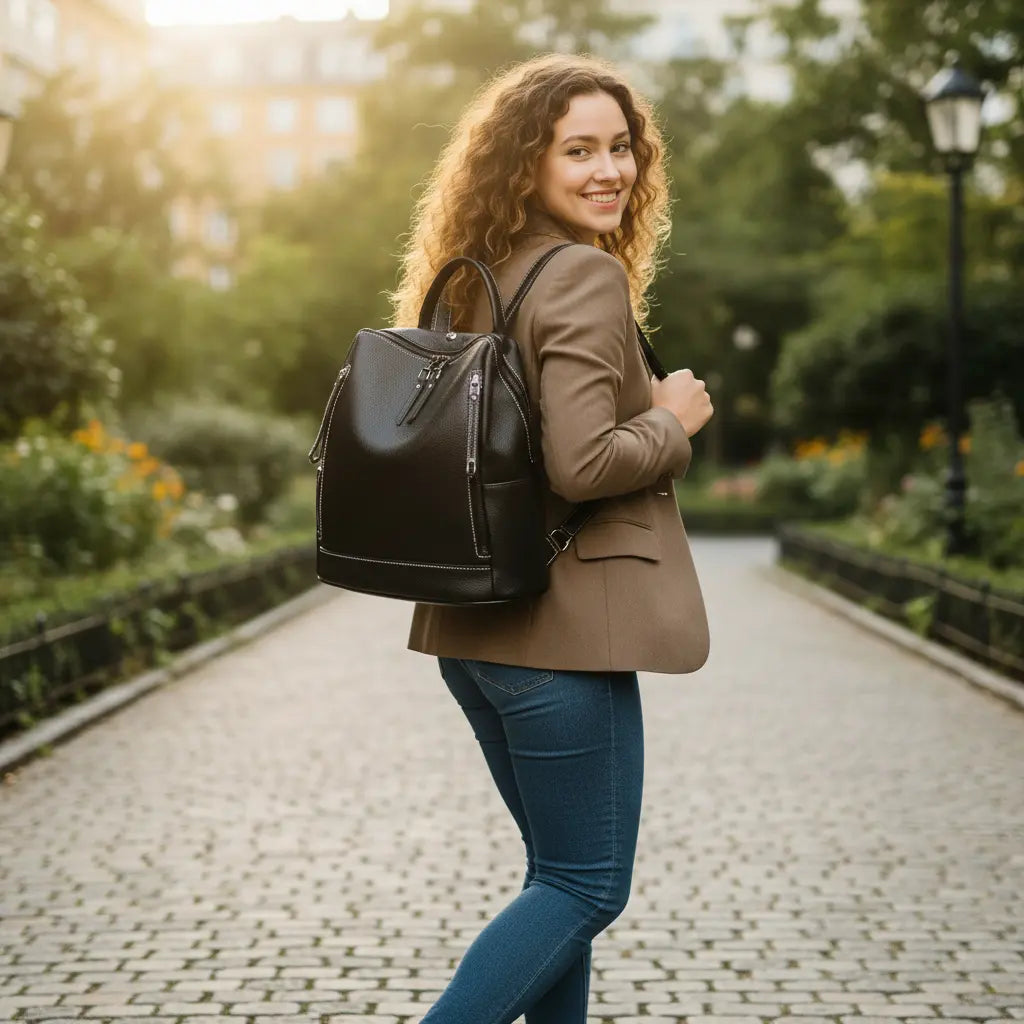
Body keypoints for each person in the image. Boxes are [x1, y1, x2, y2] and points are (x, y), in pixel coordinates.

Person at [389, 52, 713, 1024]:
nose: (608, 169)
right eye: (577, 150)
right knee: (584, 887)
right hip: (561, 636)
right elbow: (582, 464)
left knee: (555, 881)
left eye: (620, 147)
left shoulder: (482, 276)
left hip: (476, 628)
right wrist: (672, 420)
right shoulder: (577, 275)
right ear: (525, 165)